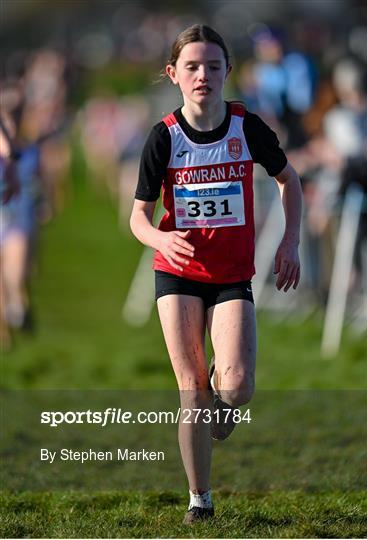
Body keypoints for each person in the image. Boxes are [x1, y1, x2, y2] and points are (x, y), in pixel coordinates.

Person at [130, 24, 302, 524]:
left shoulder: (247, 127)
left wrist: (290, 241)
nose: (202, 75)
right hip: (178, 271)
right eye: (192, 67)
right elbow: (138, 216)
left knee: (238, 387)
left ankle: (220, 397)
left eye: (212, 66)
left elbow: (289, 181)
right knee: (190, 387)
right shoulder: (163, 136)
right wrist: (160, 238)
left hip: (231, 274)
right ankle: (199, 502)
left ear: (228, 71)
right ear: (173, 75)